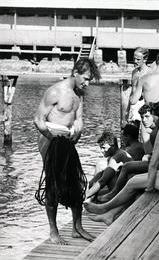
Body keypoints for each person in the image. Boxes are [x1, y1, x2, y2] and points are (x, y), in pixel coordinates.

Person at [84, 101, 159, 225]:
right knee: (136, 180)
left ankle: (104, 207)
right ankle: (109, 215)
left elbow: (154, 163)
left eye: (153, 115)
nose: (153, 119)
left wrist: (149, 187)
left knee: (134, 182)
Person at [33, 58, 100, 244]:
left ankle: (77, 227)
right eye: (86, 78)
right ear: (76, 72)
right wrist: (51, 137)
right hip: (50, 140)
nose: (87, 83)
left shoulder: (78, 95)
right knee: (53, 185)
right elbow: (38, 119)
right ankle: (53, 231)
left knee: (76, 183)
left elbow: (78, 118)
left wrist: (78, 129)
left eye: (90, 80)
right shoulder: (55, 91)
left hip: (68, 141)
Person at [96, 108, 159, 203]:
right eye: (142, 117)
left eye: (147, 117)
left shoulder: (133, 148)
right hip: (153, 165)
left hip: (158, 167)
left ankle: (112, 193)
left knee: (105, 167)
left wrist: (149, 156)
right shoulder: (148, 136)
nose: (144, 120)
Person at [85, 130, 138, 200]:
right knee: (99, 175)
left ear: (112, 146)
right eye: (100, 148)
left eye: (104, 148)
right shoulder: (115, 155)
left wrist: (86, 195)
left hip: (127, 192)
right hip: (123, 188)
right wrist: (90, 184)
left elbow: (103, 181)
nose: (101, 150)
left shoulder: (117, 157)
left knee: (103, 176)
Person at [125, 47, 151, 124]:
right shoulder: (134, 72)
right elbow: (132, 92)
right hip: (133, 107)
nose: (135, 61)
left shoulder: (149, 73)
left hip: (144, 106)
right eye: (134, 58)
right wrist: (127, 110)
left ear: (145, 59)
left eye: (138, 59)